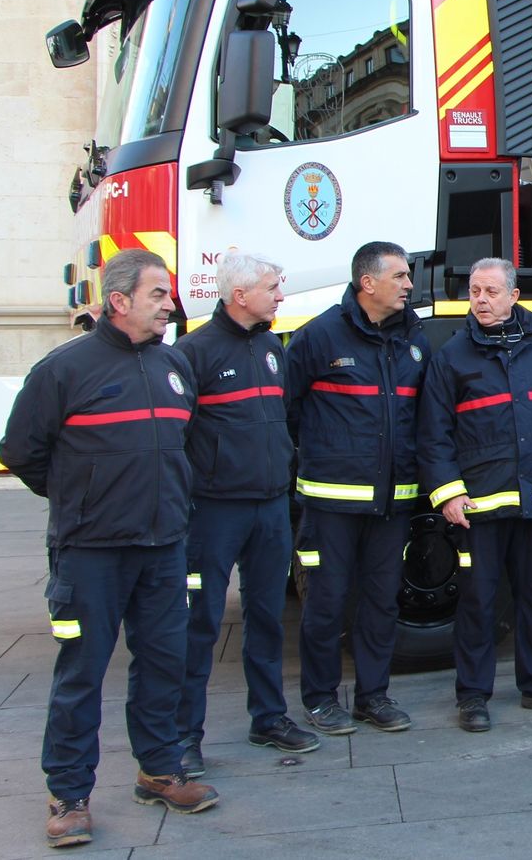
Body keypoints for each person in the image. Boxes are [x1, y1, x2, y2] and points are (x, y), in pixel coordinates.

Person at [0, 249, 219, 849]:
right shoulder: (64, 370)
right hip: (90, 553)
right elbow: (20, 452)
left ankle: (159, 771)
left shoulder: (174, 364)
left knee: (164, 663)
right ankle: (69, 796)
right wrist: (82, 498)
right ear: (119, 301)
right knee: (81, 673)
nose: (170, 304)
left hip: (164, 549)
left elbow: (183, 443)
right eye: (157, 294)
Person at [417, 258, 532, 732]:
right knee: (479, 603)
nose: (481, 299)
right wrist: (448, 493)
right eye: (475, 291)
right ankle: (473, 694)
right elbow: (433, 434)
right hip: (480, 507)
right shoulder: (453, 357)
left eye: (491, 291)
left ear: (514, 296)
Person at [175, 253, 318, 779]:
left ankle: (269, 718)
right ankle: (183, 737)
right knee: (200, 624)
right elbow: (175, 435)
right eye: (271, 288)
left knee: (266, 617)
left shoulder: (272, 347)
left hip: (270, 507)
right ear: (239, 295)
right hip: (213, 512)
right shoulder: (193, 353)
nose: (280, 296)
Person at [287, 242, 429, 734]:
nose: (409, 284)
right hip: (332, 504)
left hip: (393, 503)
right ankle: (321, 699)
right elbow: (288, 411)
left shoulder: (414, 338)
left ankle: (373, 696)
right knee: (326, 603)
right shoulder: (318, 336)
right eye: (400, 276)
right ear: (367, 283)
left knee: (382, 603)